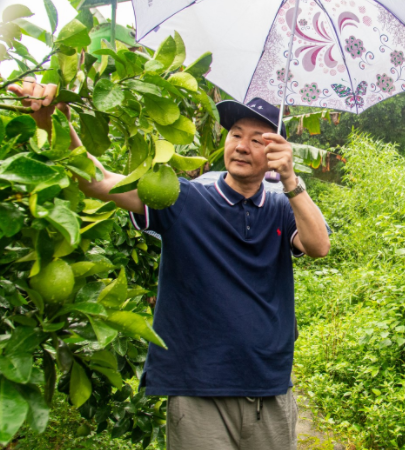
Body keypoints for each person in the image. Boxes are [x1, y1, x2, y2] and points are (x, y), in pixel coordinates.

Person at [10, 79, 330, 450]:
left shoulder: (281, 208)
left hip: (269, 389)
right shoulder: (182, 199)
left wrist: (290, 179)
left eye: (258, 139)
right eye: (235, 134)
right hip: (197, 391)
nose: (241, 145)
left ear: (277, 152)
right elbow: (98, 181)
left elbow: (318, 245)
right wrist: (55, 122)